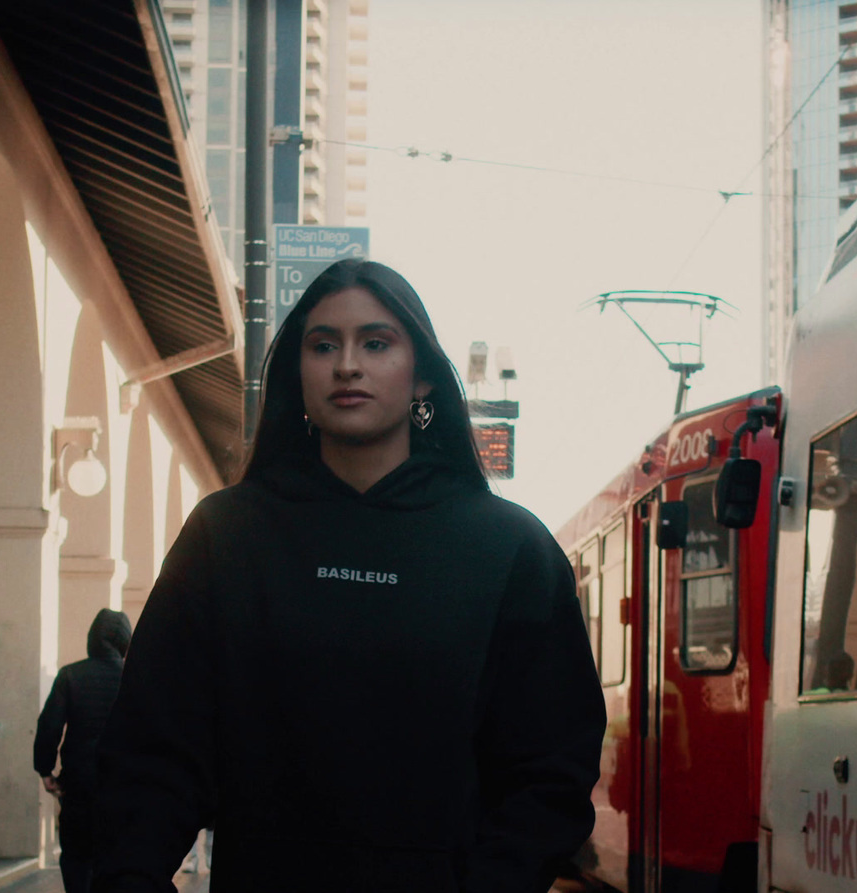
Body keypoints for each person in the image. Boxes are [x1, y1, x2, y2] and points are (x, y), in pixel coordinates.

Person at [94, 259, 606, 893]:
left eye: (376, 342)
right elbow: (154, 749)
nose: (346, 365)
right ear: (297, 371)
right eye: (323, 344)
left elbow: (551, 766)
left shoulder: (510, 548)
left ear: (422, 378)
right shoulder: (225, 536)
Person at [35, 608, 134, 893]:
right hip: (123, 787)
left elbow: (49, 726)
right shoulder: (134, 678)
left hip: (77, 786)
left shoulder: (71, 676)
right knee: (118, 860)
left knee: (77, 857)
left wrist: (45, 771)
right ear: (125, 641)